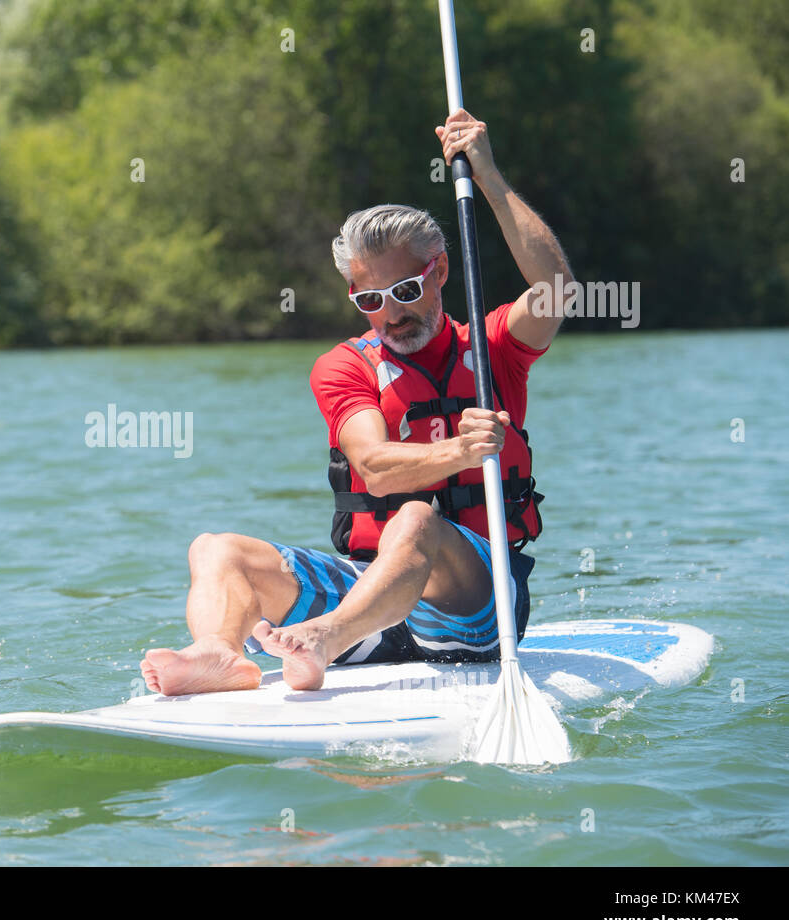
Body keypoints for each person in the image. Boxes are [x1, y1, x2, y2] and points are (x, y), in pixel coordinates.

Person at [141, 109, 573, 695]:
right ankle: (219, 654)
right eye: (371, 298)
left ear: (439, 270)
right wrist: (462, 450)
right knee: (216, 549)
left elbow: (554, 291)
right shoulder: (345, 365)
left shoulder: (494, 346)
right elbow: (373, 464)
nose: (391, 313)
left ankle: (321, 639)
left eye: (404, 291)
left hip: (476, 608)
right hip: (372, 603)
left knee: (421, 518)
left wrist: (489, 179)